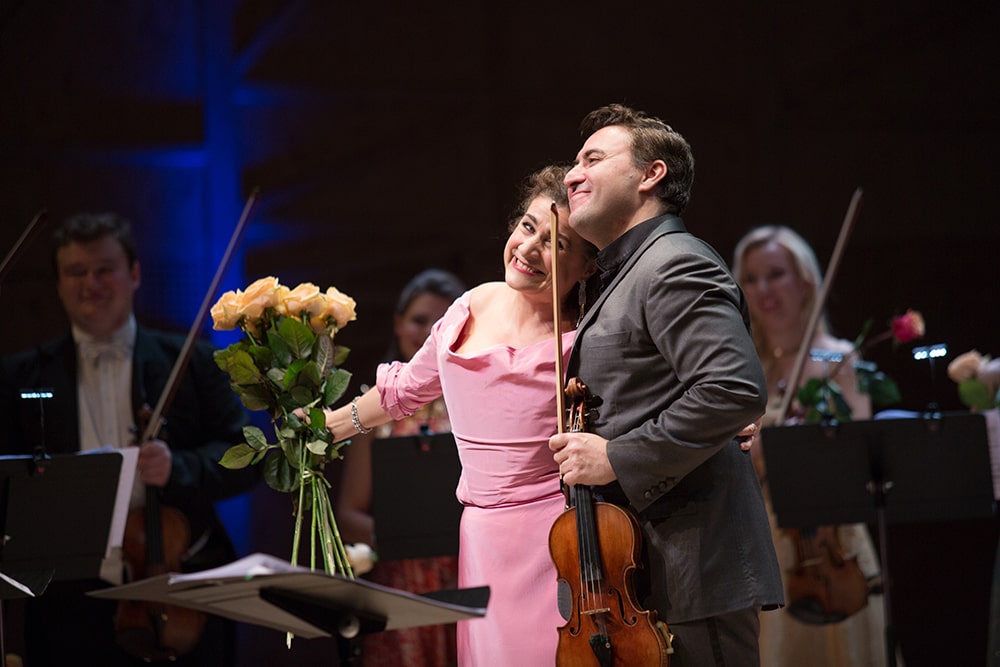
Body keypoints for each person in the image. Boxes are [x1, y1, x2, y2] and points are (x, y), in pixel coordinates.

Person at [318, 164, 599, 666]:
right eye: (528, 227)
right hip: (481, 539)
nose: (529, 249)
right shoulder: (470, 306)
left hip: (552, 542)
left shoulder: (583, 342)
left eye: (556, 244)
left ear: (585, 267)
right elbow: (403, 390)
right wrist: (321, 430)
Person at [548, 104, 784, 666]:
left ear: (651, 175)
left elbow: (732, 390)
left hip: (694, 572)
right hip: (642, 576)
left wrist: (617, 457)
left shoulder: (674, 262)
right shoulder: (627, 271)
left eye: (593, 159)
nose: (571, 175)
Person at [0, 212, 260, 666]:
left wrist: (177, 467)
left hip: (178, 594)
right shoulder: (21, 375)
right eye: (76, 272)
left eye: (104, 269)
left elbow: (249, 455)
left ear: (134, 274)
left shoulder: (192, 362)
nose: (90, 283)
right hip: (68, 603)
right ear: (59, 283)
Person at [732, 224, 889, 666]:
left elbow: (856, 453)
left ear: (805, 282)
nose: (763, 288)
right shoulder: (742, 364)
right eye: (751, 277)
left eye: (775, 274)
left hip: (832, 536)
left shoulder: (836, 357)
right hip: (763, 534)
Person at [335, 268, 466, 666]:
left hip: (466, 572)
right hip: (399, 584)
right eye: (418, 321)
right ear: (397, 323)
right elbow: (349, 512)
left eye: (439, 324)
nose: (428, 334)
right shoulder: (372, 410)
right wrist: (397, 536)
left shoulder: (470, 402)